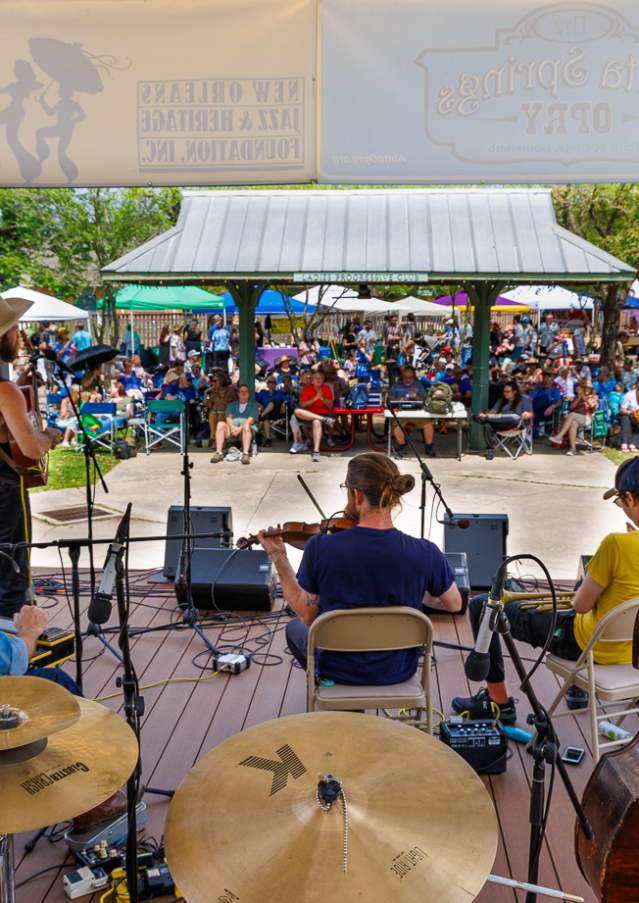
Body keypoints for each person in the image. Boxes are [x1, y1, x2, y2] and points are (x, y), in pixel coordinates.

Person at [452, 457, 639, 724]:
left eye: (620, 502)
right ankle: (576, 689)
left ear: (630, 498)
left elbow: (581, 606)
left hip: (587, 647)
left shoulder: (617, 544)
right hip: (633, 653)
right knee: (584, 583)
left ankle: (499, 703)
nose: (621, 508)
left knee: (481, 606)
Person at [258, 452, 461, 685]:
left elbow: (307, 615)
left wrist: (279, 558)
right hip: (398, 670)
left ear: (357, 494)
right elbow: (454, 604)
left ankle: (329, 689)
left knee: (295, 628)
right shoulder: (426, 551)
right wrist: (413, 589)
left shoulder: (321, 547)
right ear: (394, 497)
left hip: (338, 670)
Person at [0, 298, 62, 617]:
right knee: (11, 569)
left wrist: (22, 384)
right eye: (13, 329)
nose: (18, 336)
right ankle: (12, 652)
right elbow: (30, 448)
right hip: (5, 491)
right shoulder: (4, 391)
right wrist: (50, 436)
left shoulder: (10, 389)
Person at [473, 379, 533, 461]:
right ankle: (489, 450)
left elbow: (531, 414)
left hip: (516, 424)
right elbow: (493, 413)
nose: (505, 393)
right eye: (504, 391)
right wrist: (488, 414)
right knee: (487, 425)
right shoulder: (501, 400)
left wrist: (526, 414)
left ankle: (484, 418)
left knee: (513, 417)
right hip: (500, 424)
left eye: (508, 391)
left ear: (514, 392)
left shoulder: (523, 400)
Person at [389, 364, 435, 458]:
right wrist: (399, 399)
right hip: (400, 410)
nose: (408, 379)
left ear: (413, 376)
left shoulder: (418, 385)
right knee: (396, 424)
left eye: (410, 377)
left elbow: (425, 400)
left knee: (428, 424)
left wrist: (416, 397)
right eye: (405, 377)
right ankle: (401, 447)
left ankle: (429, 447)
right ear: (402, 376)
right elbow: (390, 400)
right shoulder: (396, 385)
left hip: (416, 411)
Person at [210, 384, 258, 465]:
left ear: (249, 394)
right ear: (238, 394)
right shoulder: (231, 405)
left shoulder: (253, 405)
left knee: (246, 425)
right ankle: (218, 453)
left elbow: (251, 420)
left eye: (246, 391)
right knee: (220, 424)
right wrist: (232, 427)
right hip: (232, 429)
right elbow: (228, 418)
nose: (243, 393)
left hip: (246, 430)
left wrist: (239, 428)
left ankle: (245, 454)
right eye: (241, 391)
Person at [294, 369, 334, 462]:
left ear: (323, 380)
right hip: (309, 414)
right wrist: (315, 399)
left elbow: (330, 405)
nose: (318, 380)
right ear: (312, 380)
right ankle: (324, 419)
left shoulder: (326, 388)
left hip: (323, 413)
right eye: (316, 378)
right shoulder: (307, 388)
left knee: (316, 422)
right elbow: (302, 405)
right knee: (297, 411)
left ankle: (316, 451)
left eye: (320, 378)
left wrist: (322, 398)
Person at [550, 381, 598, 455]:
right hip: (576, 418)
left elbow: (592, 405)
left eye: (588, 388)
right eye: (585, 388)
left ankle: (559, 436)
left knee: (572, 415)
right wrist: (579, 397)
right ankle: (573, 449)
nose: (586, 390)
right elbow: (571, 407)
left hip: (587, 418)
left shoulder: (594, 397)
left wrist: (584, 397)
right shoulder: (578, 396)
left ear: (591, 389)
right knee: (573, 423)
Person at [203, 373, 237, 446]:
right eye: (212, 381)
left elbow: (236, 404)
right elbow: (209, 405)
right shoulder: (213, 392)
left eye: (215, 381)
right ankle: (213, 438)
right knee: (213, 413)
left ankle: (219, 440)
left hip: (228, 413)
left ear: (221, 381)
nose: (213, 383)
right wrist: (206, 394)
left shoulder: (230, 391)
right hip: (215, 412)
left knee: (220, 414)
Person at [531, 373, 562, 437]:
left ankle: (534, 432)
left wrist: (552, 407)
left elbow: (559, 401)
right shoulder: (538, 389)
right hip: (535, 411)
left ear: (552, 381)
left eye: (548, 381)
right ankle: (534, 432)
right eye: (545, 381)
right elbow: (530, 399)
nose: (546, 382)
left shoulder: (555, 390)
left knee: (545, 397)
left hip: (547, 413)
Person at [256, 376, 284, 446]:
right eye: (269, 382)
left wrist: (283, 403)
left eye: (273, 382)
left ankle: (261, 416)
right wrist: (259, 405)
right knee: (266, 416)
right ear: (267, 384)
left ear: (276, 384)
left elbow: (286, 400)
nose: (271, 384)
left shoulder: (279, 392)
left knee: (273, 401)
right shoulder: (263, 392)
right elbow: (254, 400)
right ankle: (268, 439)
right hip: (266, 412)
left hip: (276, 413)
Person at [618, 382, 639, 452]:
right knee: (625, 418)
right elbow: (621, 410)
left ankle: (633, 444)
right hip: (629, 416)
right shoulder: (630, 394)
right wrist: (631, 412)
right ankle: (624, 443)